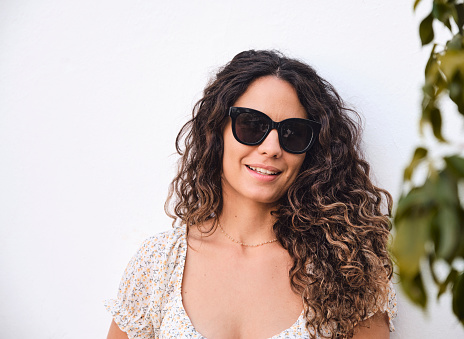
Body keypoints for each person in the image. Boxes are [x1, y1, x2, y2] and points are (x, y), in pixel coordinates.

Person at [105, 50, 396, 339]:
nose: (271, 147)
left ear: (313, 151)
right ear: (216, 131)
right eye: (252, 125)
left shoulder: (348, 270)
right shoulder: (157, 264)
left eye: (293, 133)